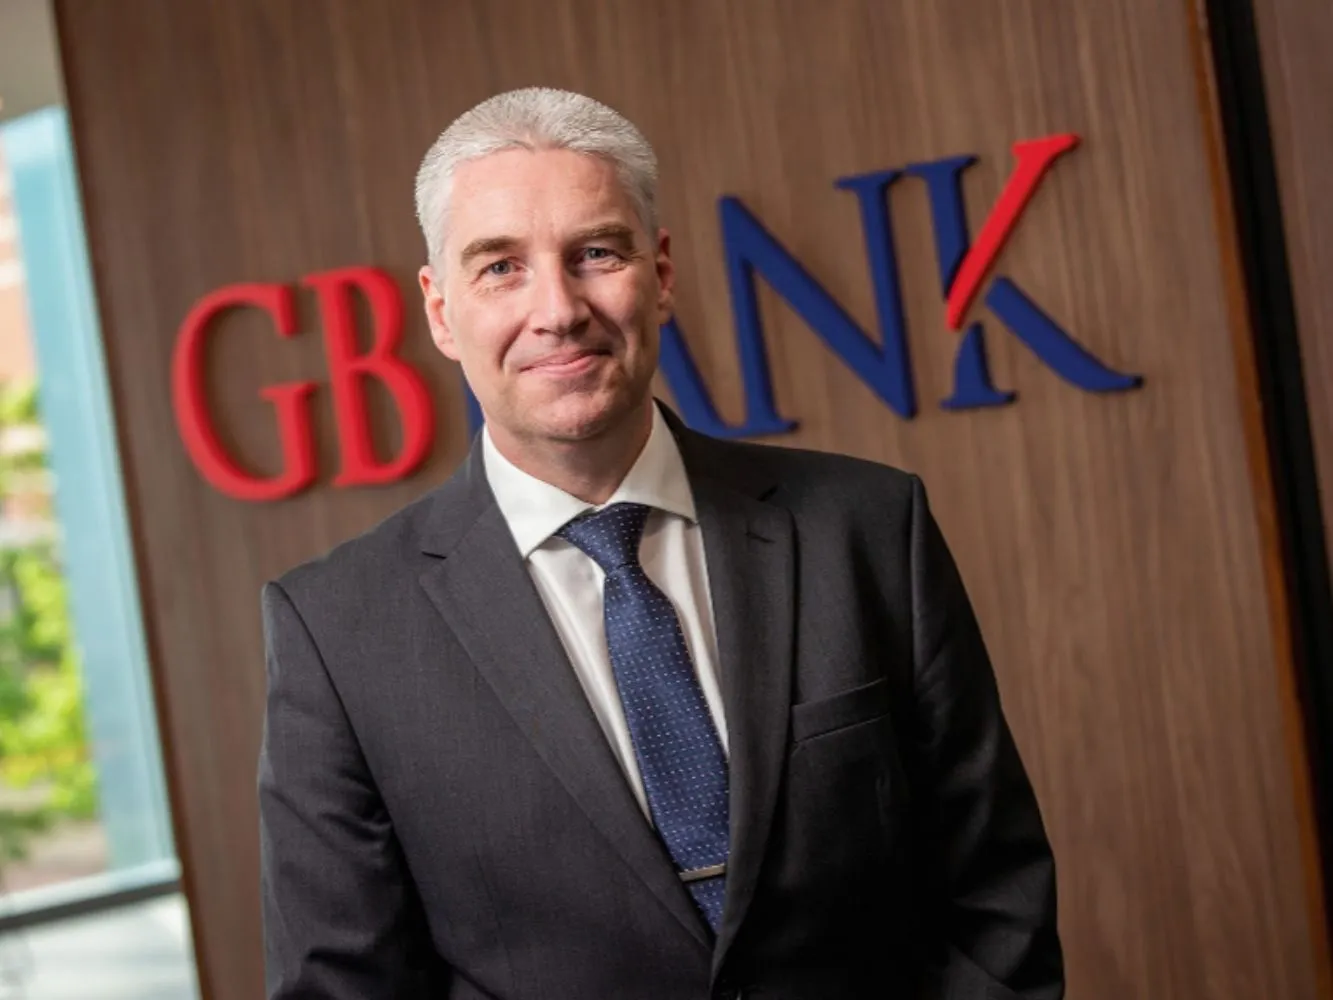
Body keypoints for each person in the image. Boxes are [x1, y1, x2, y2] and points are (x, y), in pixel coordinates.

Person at [258, 86, 1063, 1000]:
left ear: (661, 272)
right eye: (500, 268)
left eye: (595, 253)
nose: (557, 310)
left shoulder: (866, 527)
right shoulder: (337, 630)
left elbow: (994, 890)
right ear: (441, 312)